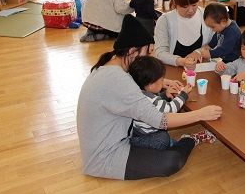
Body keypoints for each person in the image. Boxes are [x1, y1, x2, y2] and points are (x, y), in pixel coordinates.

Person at [77, 14, 222, 180]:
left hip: (116, 138)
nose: (147, 58)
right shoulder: (118, 80)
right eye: (147, 53)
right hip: (105, 157)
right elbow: (160, 120)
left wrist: (163, 82)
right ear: (132, 52)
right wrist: (201, 114)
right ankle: (190, 140)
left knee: (161, 139)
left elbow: (137, 95)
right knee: (172, 162)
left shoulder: (110, 65)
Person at [129, 56, 201, 150]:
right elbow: (171, 109)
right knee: (163, 138)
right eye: (162, 80)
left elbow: (156, 103)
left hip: (137, 132)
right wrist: (183, 94)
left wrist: (165, 95)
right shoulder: (151, 100)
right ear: (150, 85)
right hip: (143, 138)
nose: (163, 82)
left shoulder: (140, 92)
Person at [154, 0, 214, 70]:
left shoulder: (206, 16)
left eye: (194, 5)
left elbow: (216, 42)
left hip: (202, 70)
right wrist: (181, 61)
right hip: (173, 72)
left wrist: (198, 52)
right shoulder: (165, 21)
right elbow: (160, 52)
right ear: (175, 3)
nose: (190, 10)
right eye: (185, 7)